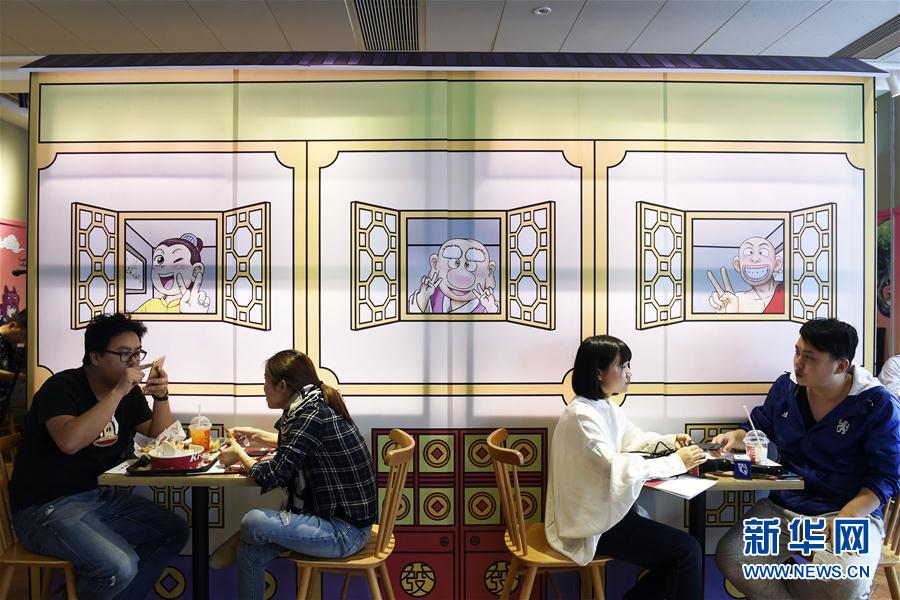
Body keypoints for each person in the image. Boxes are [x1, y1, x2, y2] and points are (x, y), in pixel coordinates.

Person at [713, 318, 900, 599]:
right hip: (785, 508)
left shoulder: (876, 404)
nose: (798, 363)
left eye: (810, 357)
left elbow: (886, 478)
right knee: (733, 556)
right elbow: (760, 427)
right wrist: (735, 436)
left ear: (840, 366)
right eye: (797, 351)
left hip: (846, 511)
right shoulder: (786, 388)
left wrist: (848, 516)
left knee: (846, 580)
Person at [8, 313, 188, 599]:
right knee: (119, 566)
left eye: (137, 353)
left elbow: (160, 439)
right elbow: (69, 442)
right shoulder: (61, 388)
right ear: (95, 356)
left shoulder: (129, 394)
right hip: (44, 508)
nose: (134, 362)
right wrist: (117, 392)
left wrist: (161, 397)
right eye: (124, 354)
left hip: (96, 498)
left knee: (174, 530)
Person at [545, 335, 705, 599]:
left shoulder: (604, 406)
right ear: (599, 372)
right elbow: (615, 467)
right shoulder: (582, 416)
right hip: (592, 522)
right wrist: (676, 461)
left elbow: (632, 439)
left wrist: (670, 441)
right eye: (623, 366)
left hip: (603, 512)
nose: (629, 373)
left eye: (629, 365)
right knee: (686, 552)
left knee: (684, 554)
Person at [215, 350, 377, 600]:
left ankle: (237, 539)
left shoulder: (310, 415)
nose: (263, 388)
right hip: (345, 522)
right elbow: (298, 444)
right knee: (250, 549)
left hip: (344, 533)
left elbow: (273, 475)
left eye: (266, 380)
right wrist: (256, 435)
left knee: (252, 522)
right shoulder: (313, 405)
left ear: (282, 386)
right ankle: (239, 541)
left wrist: (239, 455)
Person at [408, 238, 499, 313]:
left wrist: (491, 307)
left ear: (490, 271)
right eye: (454, 262)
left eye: (470, 265)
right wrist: (423, 296)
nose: (461, 277)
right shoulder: (432, 297)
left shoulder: (487, 305)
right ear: (435, 264)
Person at [133, 233, 211, 313]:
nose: (165, 266)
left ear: (195, 271)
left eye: (177, 261)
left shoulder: (192, 306)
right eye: (159, 260)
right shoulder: (150, 305)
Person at [708, 236, 784, 313]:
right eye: (749, 252)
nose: (755, 259)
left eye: (762, 252)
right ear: (738, 265)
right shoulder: (736, 300)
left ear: (777, 264)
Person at [0, 309, 26, 415]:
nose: (21, 340)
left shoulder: (9, 344)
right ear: (12, 326)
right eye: (21, 334)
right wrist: (18, 377)